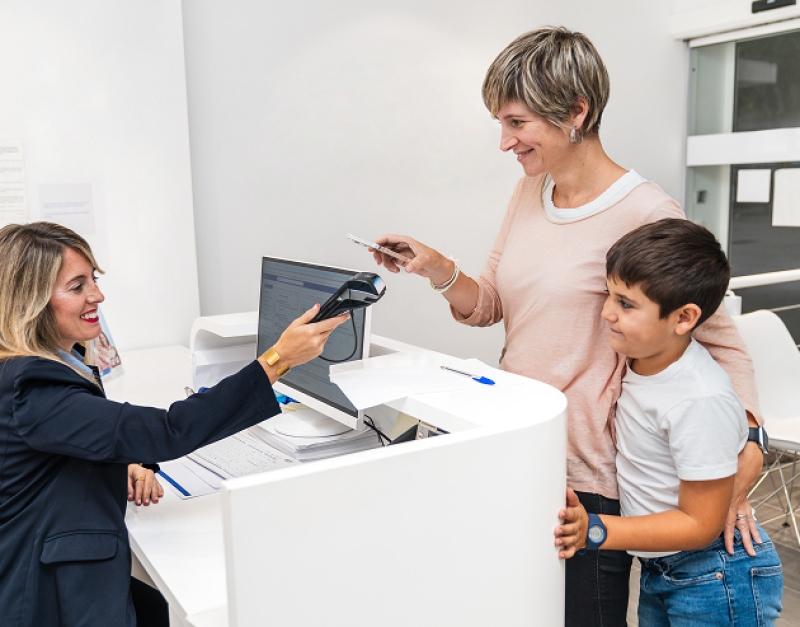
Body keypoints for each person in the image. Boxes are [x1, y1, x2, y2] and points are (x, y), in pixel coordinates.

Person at [366, 27, 765, 625]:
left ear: (576, 112)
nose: (505, 142)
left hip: (587, 473)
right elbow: (492, 303)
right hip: (516, 440)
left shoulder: (646, 211)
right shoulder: (530, 190)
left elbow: (718, 340)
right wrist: (439, 269)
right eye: (501, 123)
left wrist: (747, 454)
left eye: (517, 123)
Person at [0, 221, 348, 626]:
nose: (97, 295)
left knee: (158, 607)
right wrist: (278, 359)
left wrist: (122, 461)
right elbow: (168, 431)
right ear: (31, 302)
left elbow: (76, 437)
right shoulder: (33, 387)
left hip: (50, 557)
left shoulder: (40, 366)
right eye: (77, 287)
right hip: (43, 592)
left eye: (93, 279)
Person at [554, 219, 783, 625]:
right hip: (664, 570)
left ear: (683, 318)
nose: (606, 313)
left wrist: (597, 529)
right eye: (609, 295)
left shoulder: (697, 398)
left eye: (626, 304)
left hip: (716, 574)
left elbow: (699, 524)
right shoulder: (641, 360)